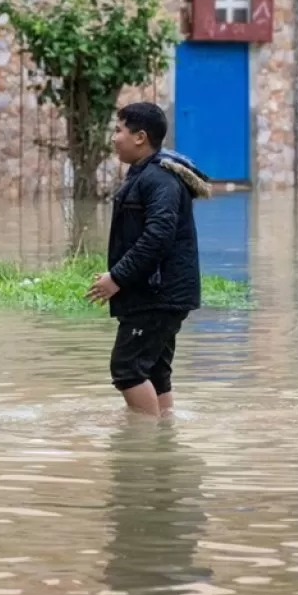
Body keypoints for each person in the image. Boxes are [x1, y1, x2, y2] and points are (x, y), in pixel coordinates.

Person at [86, 102, 209, 417]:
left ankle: (143, 451)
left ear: (140, 137)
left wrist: (117, 277)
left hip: (158, 295)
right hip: (159, 292)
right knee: (154, 370)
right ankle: (163, 446)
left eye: (118, 130)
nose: (114, 138)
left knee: (127, 369)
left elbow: (157, 238)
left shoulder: (158, 180)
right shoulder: (146, 175)